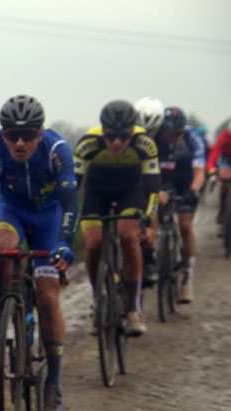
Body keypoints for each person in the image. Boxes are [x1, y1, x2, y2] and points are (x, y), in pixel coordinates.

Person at [0, 95, 79, 411]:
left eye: (28, 134)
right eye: (11, 134)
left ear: (40, 132)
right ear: (3, 133)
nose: (19, 142)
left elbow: (70, 202)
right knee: (0, 245)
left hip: (49, 217)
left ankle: (53, 383)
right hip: (13, 211)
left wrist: (64, 242)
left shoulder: (56, 149)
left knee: (49, 297)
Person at [74, 100, 160, 336]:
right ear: (103, 131)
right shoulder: (88, 143)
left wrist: (149, 221)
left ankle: (133, 308)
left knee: (129, 237)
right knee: (93, 243)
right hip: (97, 190)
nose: (117, 143)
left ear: (133, 131)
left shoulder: (145, 144)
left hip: (129, 190)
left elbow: (153, 189)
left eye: (123, 136)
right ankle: (96, 299)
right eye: (111, 137)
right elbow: (72, 187)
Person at [154, 107, 206, 302]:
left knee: (185, 225)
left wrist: (194, 191)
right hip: (164, 176)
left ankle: (187, 280)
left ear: (184, 130)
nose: (175, 137)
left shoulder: (193, 138)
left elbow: (199, 171)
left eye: (178, 133)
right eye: (172, 133)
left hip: (185, 177)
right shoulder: (158, 135)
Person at [134, 96, 166, 287]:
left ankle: (149, 253)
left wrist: (163, 190)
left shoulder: (165, 140)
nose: (147, 134)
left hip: (158, 180)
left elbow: (172, 167)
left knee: (151, 205)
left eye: (151, 131)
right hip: (135, 181)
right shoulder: (128, 136)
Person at [207, 125, 231, 225]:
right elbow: (213, 155)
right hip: (226, 158)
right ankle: (222, 210)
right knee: (224, 177)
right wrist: (212, 171)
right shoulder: (224, 137)